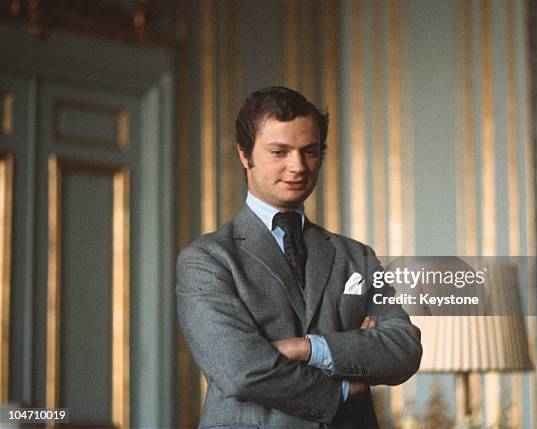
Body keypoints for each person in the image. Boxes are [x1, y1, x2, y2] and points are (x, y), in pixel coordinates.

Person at [176, 86, 422, 429]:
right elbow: (242, 371)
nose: (298, 166)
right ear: (244, 154)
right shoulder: (207, 260)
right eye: (279, 151)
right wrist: (347, 383)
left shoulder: (356, 256)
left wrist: (307, 348)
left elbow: (404, 350)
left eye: (310, 151)